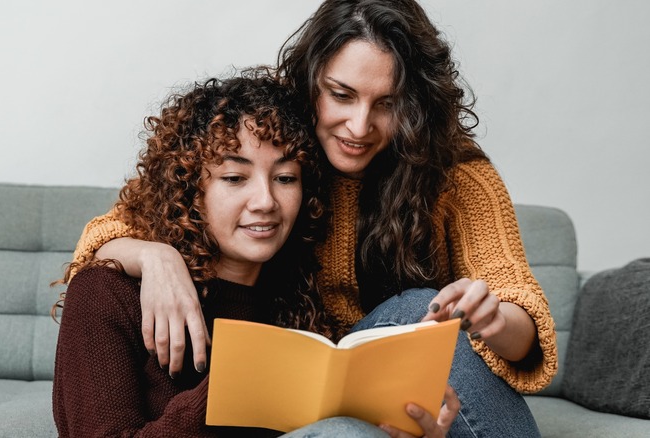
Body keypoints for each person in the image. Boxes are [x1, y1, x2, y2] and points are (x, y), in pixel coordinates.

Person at [66, 1, 557, 436]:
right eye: (341, 95)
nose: (359, 126)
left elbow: (520, 310)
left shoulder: (454, 174)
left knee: (418, 311)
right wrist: (155, 257)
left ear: (415, 105)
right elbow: (129, 223)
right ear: (311, 82)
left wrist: (490, 319)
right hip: (304, 366)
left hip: (385, 373)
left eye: (387, 104)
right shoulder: (276, 135)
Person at [53, 72, 458, 437]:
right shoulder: (107, 292)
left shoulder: (297, 304)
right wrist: (238, 381)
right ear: (191, 189)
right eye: (234, 178)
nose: (265, 201)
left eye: (285, 178)